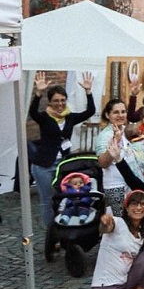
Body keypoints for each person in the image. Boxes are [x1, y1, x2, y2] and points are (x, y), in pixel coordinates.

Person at [29, 72, 97, 228]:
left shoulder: (70, 117)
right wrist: (38, 93)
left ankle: (63, 226)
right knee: (47, 200)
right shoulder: (44, 117)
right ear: (50, 102)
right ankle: (51, 234)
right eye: (56, 101)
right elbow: (32, 112)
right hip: (44, 166)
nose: (60, 104)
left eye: (62, 100)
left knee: (65, 197)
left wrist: (88, 92)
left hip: (64, 164)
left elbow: (90, 111)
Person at [96, 97, 144, 215]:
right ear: (108, 115)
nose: (120, 115)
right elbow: (102, 163)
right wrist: (115, 141)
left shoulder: (128, 130)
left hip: (133, 183)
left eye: (123, 112)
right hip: (116, 187)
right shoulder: (105, 135)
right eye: (116, 112)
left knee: (134, 221)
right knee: (119, 224)